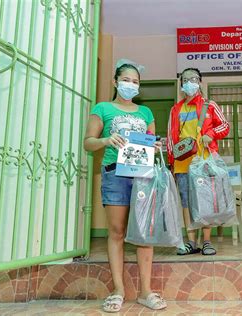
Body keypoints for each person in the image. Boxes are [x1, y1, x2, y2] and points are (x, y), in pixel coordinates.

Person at [84, 59, 167, 312]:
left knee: (144, 234)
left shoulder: (146, 113)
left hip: (143, 177)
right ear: (115, 82)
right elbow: (88, 142)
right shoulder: (103, 108)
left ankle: (145, 291)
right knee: (117, 232)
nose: (131, 85)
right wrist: (107, 140)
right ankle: (118, 290)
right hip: (115, 174)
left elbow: (151, 141)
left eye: (135, 82)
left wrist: (156, 146)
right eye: (126, 80)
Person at [166, 68, 230, 256]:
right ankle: (191, 242)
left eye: (193, 79)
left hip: (205, 162)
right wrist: (172, 163)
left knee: (206, 201)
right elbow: (171, 138)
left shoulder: (210, 105)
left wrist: (211, 134)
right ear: (181, 85)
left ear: (200, 82)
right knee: (186, 203)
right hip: (183, 164)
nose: (189, 82)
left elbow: (225, 126)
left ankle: (207, 241)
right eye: (185, 80)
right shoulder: (176, 109)